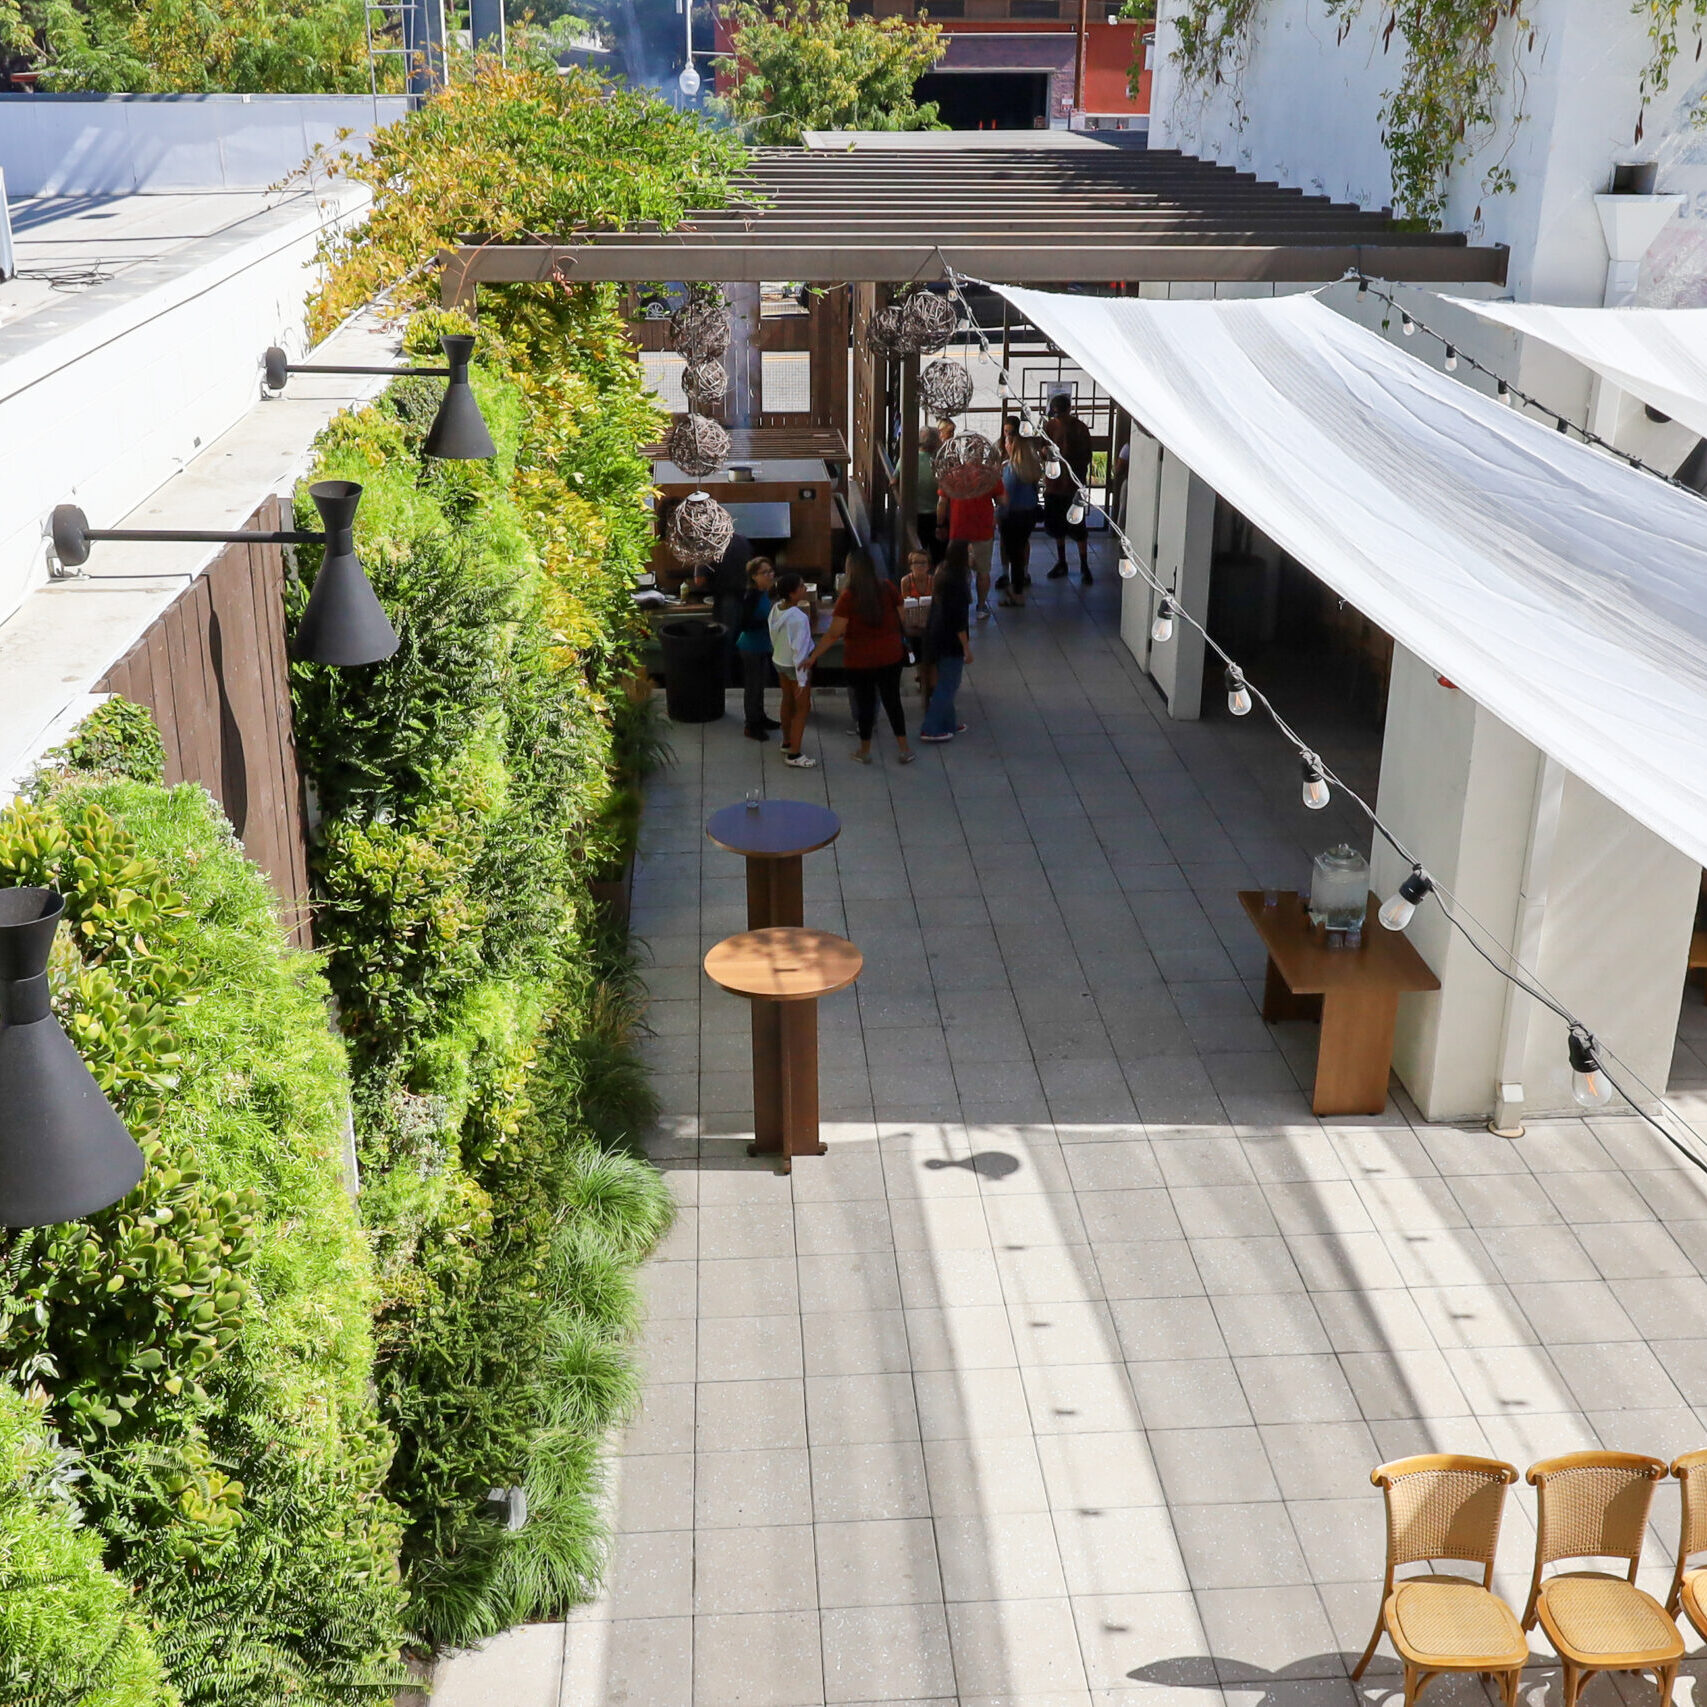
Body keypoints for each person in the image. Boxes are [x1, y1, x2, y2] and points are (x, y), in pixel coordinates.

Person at [808, 547, 913, 766]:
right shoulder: (887, 587)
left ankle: (865, 751)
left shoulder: (848, 597)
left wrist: (813, 656)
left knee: (865, 705)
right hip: (890, 655)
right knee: (893, 701)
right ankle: (904, 749)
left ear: (850, 570)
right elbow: (902, 616)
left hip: (860, 660)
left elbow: (834, 633)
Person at [919, 541, 973, 743]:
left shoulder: (943, 573)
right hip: (950, 641)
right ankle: (930, 728)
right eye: (969, 552)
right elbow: (958, 621)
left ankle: (949, 722)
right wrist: (967, 649)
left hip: (936, 635)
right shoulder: (957, 584)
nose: (972, 556)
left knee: (946, 682)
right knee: (949, 684)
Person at [1042, 393, 1094, 583]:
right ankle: (1078, 564)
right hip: (1068, 485)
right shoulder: (1078, 427)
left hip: (1061, 485)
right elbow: (1088, 454)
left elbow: (1042, 449)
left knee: (1067, 528)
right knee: (1070, 526)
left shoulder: (1054, 426)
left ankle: (1071, 563)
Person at [767, 570, 817, 768]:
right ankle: (794, 753)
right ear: (793, 593)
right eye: (802, 586)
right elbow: (800, 649)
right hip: (795, 665)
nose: (805, 589)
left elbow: (772, 634)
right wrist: (802, 680)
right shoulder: (799, 618)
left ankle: (787, 741)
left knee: (787, 700)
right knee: (803, 707)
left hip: (779, 660)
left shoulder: (776, 609)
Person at [694, 527, 753, 683]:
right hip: (746, 595)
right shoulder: (742, 539)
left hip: (726, 599)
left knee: (725, 642)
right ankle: (745, 680)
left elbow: (699, 581)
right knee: (742, 641)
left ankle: (727, 684)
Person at [995, 416, 1042, 607]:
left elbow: (1005, 497)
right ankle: (1018, 586)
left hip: (1012, 516)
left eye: (1007, 440)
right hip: (1028, 514)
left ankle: (1017, 593)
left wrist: (996, 512)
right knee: (1020, 551)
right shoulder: (1030, 464)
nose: (1005, 443)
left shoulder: (1011, 469)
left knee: (1013, 554)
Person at [736, 557, 782, 741]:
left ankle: (760, 717)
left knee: (761, 684)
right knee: (753, 686)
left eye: (771, 571)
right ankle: (751, 724)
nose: (770, 575)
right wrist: (768, 623)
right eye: (765, 572)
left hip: (763, 645)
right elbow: (744, 623)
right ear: (754, 576)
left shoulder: (766, 592)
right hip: (751, 646)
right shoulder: (751, 596)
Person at [937, 475, 996, 621]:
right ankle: (981, 606)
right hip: (983, 530)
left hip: (958, 530)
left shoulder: (951, 475)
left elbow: (942, 503)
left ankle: (958, 604)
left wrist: (940, 524)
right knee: (983, 572)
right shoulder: (988, 475)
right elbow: (1003, 499)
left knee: (956, 570)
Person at [899, 547, 935, 711]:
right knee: (917, 649)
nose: (919, 566)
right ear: (910, 566)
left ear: (928, 566)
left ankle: (926, 676)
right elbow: (906, 605)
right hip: (913, 624)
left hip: (929, 623)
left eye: (923, 563)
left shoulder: (932, 581)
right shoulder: (906, 581)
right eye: (916, 563)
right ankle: (922, 674)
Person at [916, 425, 940, 563]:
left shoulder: (908, 460)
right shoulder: (939, 462)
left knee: (920, 550)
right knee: (938, 554)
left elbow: (894, 479)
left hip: (916, 514)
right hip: (937, 515)